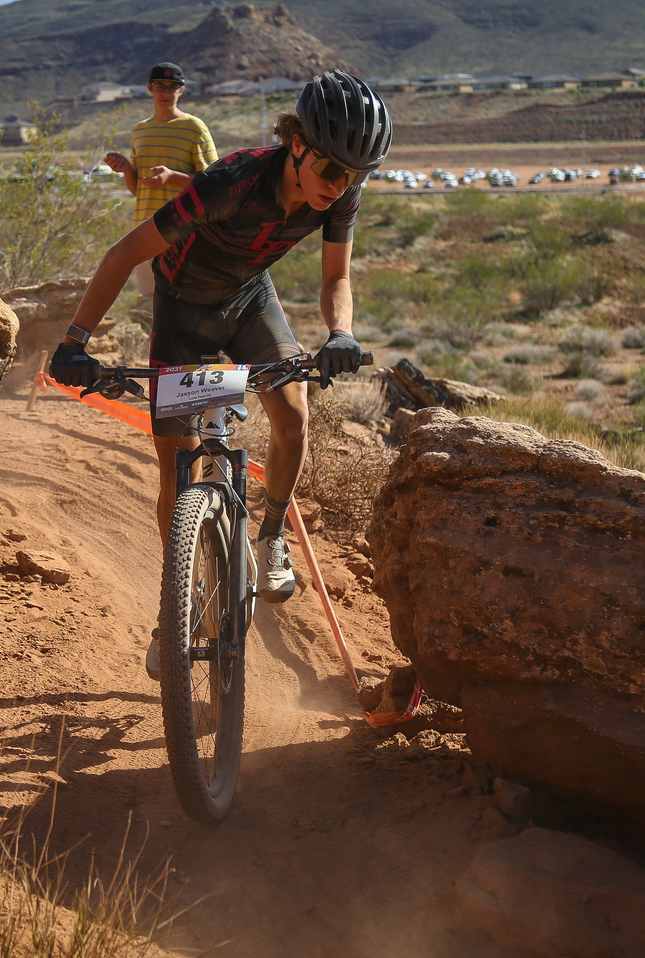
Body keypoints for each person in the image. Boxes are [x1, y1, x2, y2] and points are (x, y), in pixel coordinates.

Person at [48, 70, 391, 675]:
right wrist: (75, 340)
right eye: (332, 169)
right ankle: (174, 610)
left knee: (293, 417)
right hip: (182, 309)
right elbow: (124, 253)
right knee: (175, 468)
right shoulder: (232, 182)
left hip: (249, 301)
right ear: (298, 145)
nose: (339, 186)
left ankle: (272, 534)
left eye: (355, 176)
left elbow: (336, 276)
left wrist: (340, 333)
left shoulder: (339, 195)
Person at [102, 62, 217, 294]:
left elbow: (213, 183)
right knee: (149, 303)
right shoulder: (140, 130)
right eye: (160, 86)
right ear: (150, 88)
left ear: (181, 90)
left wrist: (172, 176)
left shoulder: (194, 127)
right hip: (145, 231)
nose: (166, 93)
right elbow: (139, 191)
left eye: (172, 87)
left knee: (185, 302)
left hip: (184, 230)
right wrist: (127, 169)